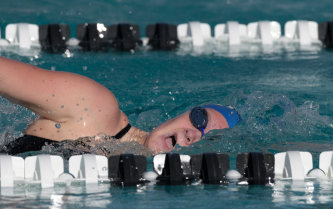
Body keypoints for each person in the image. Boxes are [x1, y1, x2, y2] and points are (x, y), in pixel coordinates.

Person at [0, 56, 240, 155]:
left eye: (209, 138)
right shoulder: (94, 107)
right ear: (183, 115)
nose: (194, 133)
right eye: (200, 120)